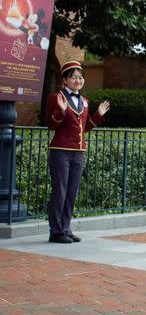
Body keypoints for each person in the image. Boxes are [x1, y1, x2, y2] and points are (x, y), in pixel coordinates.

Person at [45, 61, 110, 243]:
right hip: (60, 151)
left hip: (79, 151)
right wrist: (61, 111)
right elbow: (51, 125)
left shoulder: (85, 101)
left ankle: (66, 227)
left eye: (80, 77)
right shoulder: (56, 98)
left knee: (71, 191)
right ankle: (56, 231)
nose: (78, 80)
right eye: (74, 77)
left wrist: (98, 114)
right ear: (65, 80)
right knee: (60, 191)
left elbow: (85, 127)